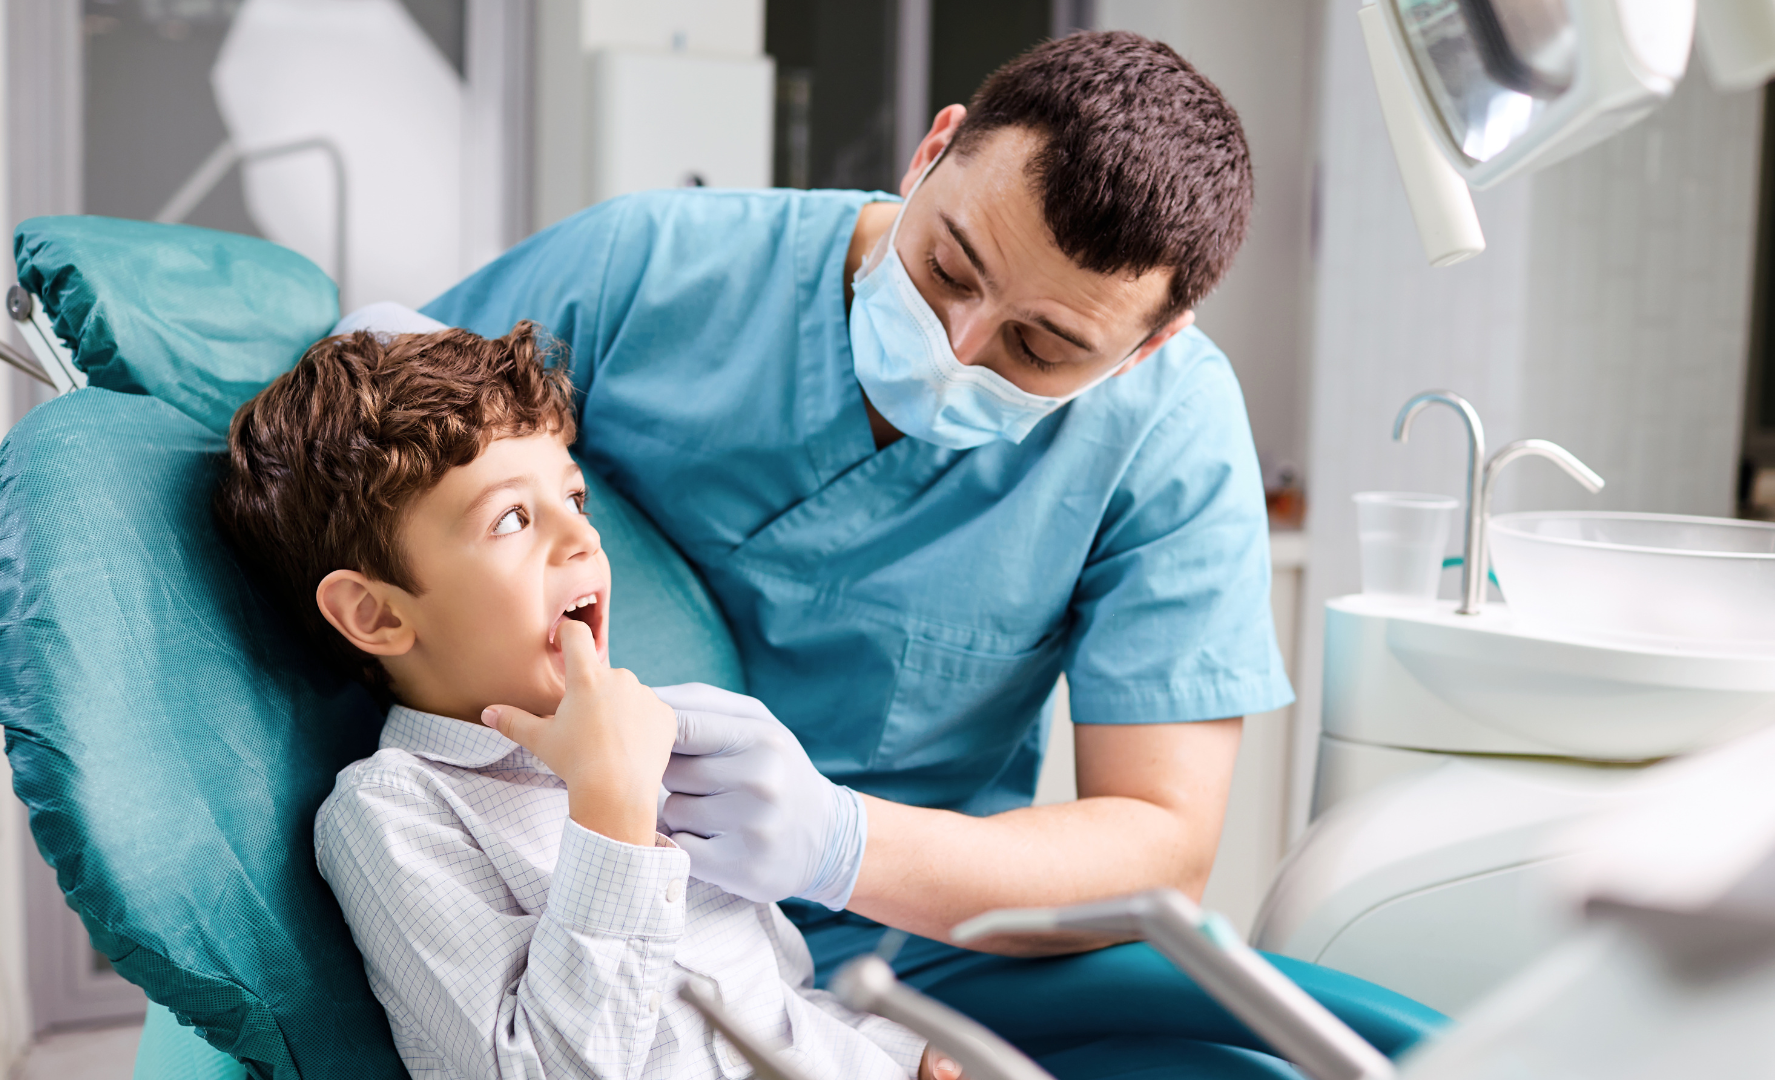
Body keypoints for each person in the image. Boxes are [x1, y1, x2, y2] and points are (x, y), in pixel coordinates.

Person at [422, 32, 1442, 1077]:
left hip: (909, 943)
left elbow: (1159, 844)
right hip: (590, 889)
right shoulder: (648, 269)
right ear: (932, 151)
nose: (957, 345)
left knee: (1344, 1051)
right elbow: (383, 431)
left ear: (1148, 345)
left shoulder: (1165, 429)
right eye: (949, 265)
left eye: (1040, 347)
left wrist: (840, 842)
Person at [211, 323, 963, 1079]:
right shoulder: (394, 811)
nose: (581, 537)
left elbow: (774, 1002)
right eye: (511, 518)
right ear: (377, 614)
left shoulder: (654, 748)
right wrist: (612, 812)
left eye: (574, 496)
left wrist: (897, 1055)